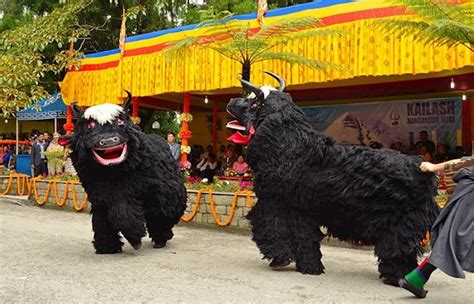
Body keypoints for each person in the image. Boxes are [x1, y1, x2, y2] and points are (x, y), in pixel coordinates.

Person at [399, 157, 474, 298]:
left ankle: (417, 278)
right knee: (455, 239)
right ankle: (417, 278)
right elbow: (467, 161)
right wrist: (434, 167)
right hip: (470, 196)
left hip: (468, 193)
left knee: (454, 238)